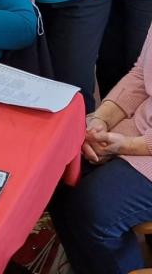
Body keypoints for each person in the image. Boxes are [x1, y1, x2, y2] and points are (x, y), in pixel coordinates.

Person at [49, 25, 152, 274]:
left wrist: (127, 145)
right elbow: (141, 74)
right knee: (53, 175)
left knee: (93, 209)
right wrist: (101, 120)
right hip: (138, 127)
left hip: (142, 146)